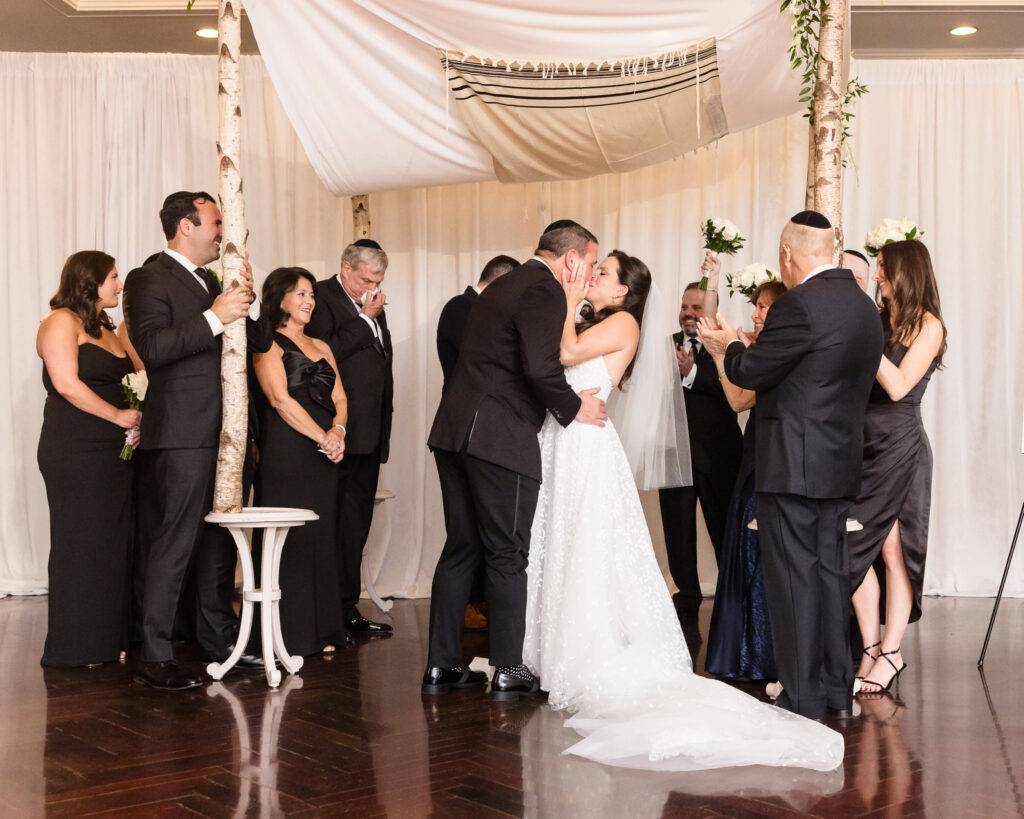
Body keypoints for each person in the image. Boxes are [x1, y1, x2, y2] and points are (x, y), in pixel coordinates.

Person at [524, 249, 843, 771]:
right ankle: (554, 646)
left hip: (588, 445)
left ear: (623, 292)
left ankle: (585, 652)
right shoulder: (609, 319)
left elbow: (565, 353)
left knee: (587, 544)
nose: (593, 276)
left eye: (601, 273)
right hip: (568, 439)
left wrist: (565, 291)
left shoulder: (623, 321)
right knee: (566, 543)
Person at [699, 210, 884, 721]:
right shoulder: (865, 308)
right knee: (828, 580)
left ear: (787, 254)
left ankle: (805, 703)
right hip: (838, 467)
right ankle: (834, 691)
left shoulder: (799, 306)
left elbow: (749, 371)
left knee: (792, 585)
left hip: (791, 468)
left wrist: (728, 343)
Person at [423, 224, 607, 698]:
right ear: (571, 261)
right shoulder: (545, 289)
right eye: (588, 264)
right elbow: (540, 366)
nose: (587, 275)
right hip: (498, 437)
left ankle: (442, 666)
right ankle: (508, 667)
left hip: (454, 430)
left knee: (462, 547)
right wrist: (574, 407)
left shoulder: (504, 282)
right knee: (507, 553)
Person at [123, 190, 268, 690]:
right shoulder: (147, 278)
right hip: (183, 433)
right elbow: (154, 347)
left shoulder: (214, 281)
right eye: (215, 221)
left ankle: (219, 642)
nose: (222, 231)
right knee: (174, 543)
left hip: (228, 434)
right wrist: (215, 315)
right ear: (186, 226)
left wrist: (247, 301)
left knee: (217, 546)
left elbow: (262, 340)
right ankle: (157, 655)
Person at [849, 240, 946, 695]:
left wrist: (865, 339)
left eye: (884, 269)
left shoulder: (930, 326)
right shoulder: (878, 320)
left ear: (905, 272)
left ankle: (892, 650)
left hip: (901, 448)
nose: (877, 276)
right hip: (861, 448)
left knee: (893, 553)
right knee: (853, 544)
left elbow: (899, 386)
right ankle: (869, 647)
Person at [36, 251, 141, 667]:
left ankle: (107, 639)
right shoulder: (60, 321)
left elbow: (139, 376)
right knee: (80, 543)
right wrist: (118, 415)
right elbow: (66, 384)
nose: (119, 285)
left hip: (116, 452)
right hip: (76, 449)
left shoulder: (109, 329)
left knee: (113, 543)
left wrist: (140, 418)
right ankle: (75, 646)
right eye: (114, 277)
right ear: (91, 281)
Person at [249, 268, 349, 656]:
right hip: (287, 451)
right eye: (301, 294)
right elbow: (279, 400)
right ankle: (286, 634)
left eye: (312, 295)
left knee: (321, 536)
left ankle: (323, 629)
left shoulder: (322, 345)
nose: (310, 301)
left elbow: (340, 397)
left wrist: (338, 432)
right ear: (280, 299)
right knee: (288, 541)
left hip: (326, 451)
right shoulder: (266, 343)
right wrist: (321, 436)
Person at [306, 239, 394, 635]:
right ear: (345, 269)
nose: (371, 287)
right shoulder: (319, 297)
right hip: (338, 432)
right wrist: (364, 319)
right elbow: (323, 354)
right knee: (334, 525)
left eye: (377, 280)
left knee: (356, 526)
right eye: (365, 279)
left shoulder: (370, 301)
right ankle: (327, 611)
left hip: (370, 431)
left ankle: (348, 606)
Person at [704, 279, 787, 681]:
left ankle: (759, 657)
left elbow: (738, 398)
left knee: (757, 557)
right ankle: (746, 656)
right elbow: (739, 398)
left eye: (764, 307)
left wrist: (723, 354)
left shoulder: (778, 352)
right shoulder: (764, 348)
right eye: (755, 305)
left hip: (769, 461)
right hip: (755, 455)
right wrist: (725, 351)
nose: (755, 313)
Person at [436, 253, 519, 631]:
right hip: (466, 433)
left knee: (477, 537)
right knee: (466, 537)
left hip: (476, 434)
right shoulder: (462, 307)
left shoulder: (480, 310)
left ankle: (476, 613)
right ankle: (468, 609)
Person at [658, 266, 743, 621]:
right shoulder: (663, 345)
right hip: (674, 453)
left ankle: (733, 597)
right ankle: (687, 594)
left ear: (710, 311)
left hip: (719, 455)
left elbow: (735, 393)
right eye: (685, 307)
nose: (689, 314)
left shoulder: (725, 342)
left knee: (725, 529)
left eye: (696, 308)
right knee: (677, 532)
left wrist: (690, 374)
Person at [437, 254, 518, 385]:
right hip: (466, 401)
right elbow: (487, 356)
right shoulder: (459, 306)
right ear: (503, 284)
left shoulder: (482, 308)